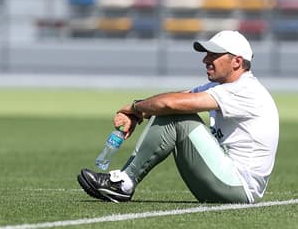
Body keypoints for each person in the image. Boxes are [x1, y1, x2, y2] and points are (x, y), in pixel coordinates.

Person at [77, 30, 279, 204]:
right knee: (171, 109)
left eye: (214, 55)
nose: (206, 60)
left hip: (237, 187)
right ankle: (123, 182)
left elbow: (170, 104)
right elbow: (176, 98)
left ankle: (124, 183)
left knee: (175, 115)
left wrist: (134, 108)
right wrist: (139, 113)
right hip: (226, 183)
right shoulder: (224, 87)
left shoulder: (245, 89)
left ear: (236, 61)